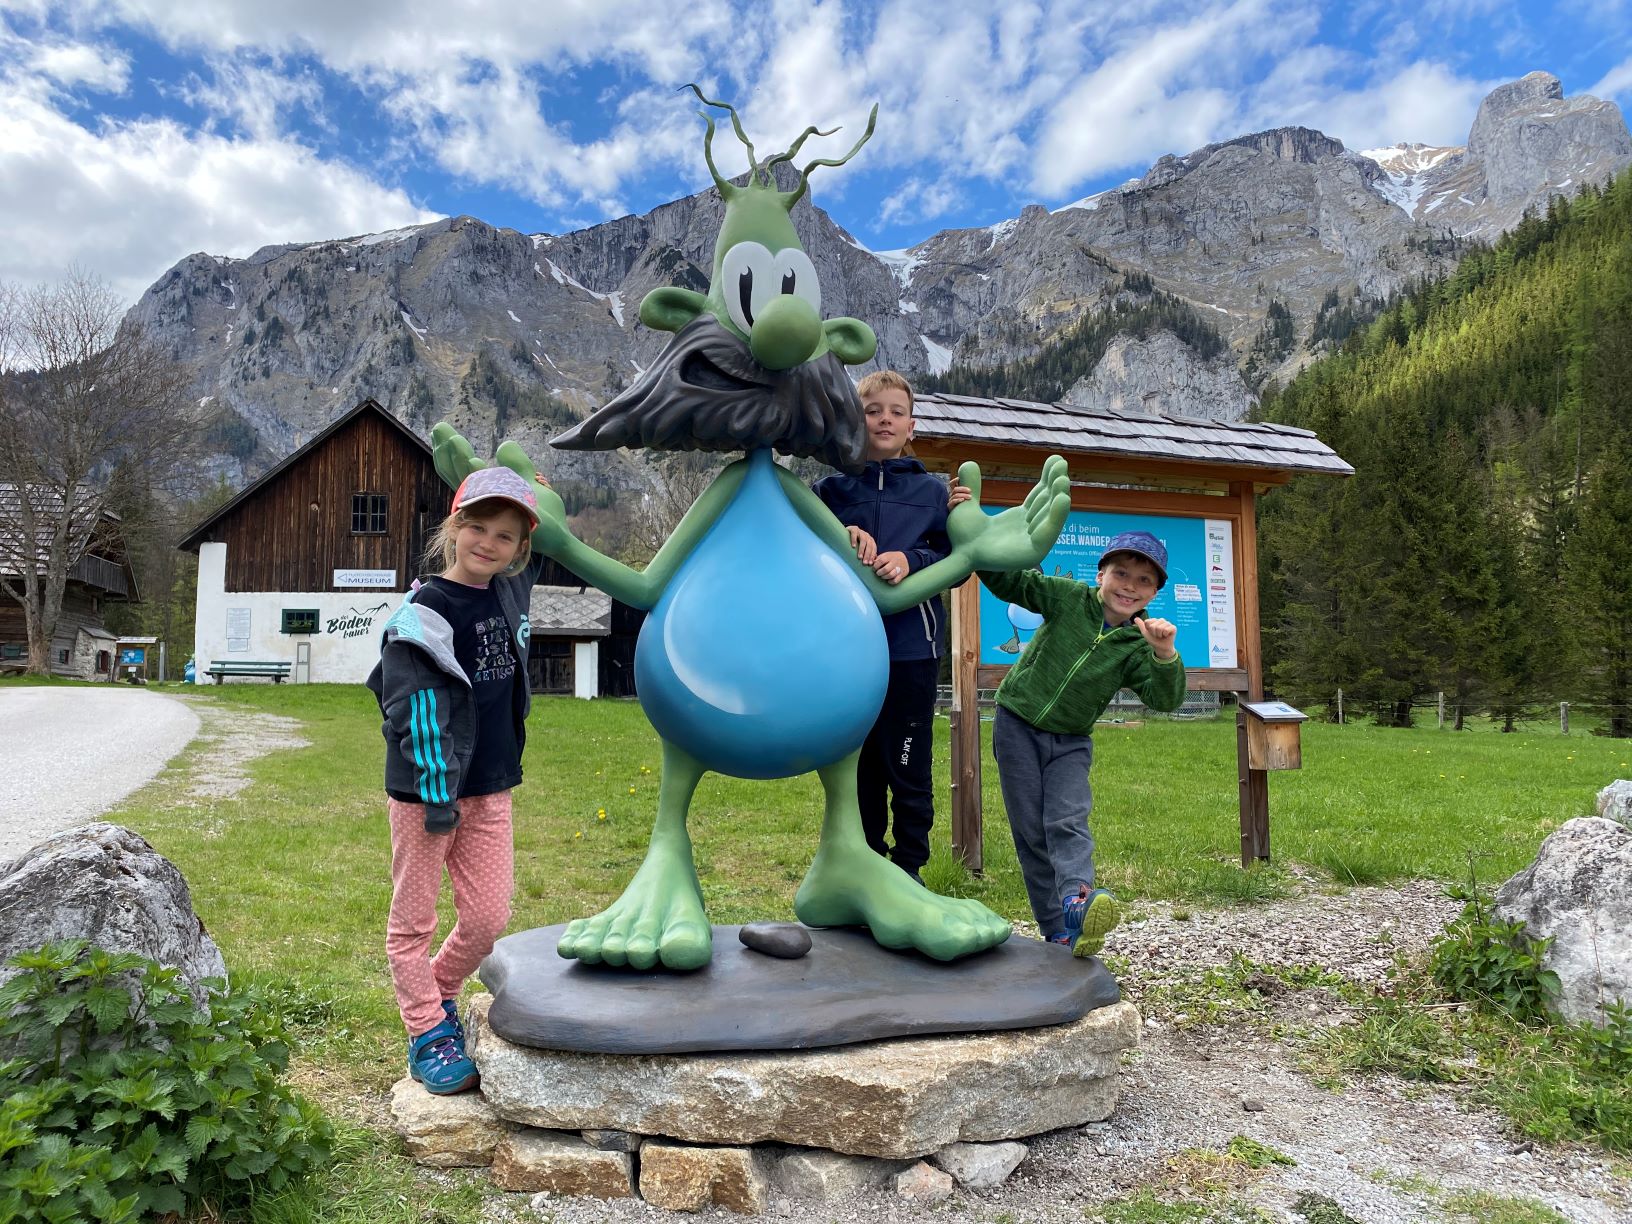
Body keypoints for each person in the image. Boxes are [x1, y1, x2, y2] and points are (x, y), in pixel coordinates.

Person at [366, 465, 547, 1094]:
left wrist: (533, 489)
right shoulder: (422, 613)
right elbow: (405, 705)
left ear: (520, 551)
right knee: (413, 920)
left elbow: (548, 540)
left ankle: (438, 993)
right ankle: (426, 1032)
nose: (487, 543)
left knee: (488, 918)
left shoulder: (509, 594)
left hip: (491, 783)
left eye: (505, 535)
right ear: (453, 528)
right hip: (426, 790)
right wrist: (435, 786)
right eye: (477, 527)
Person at [977, 530, 1184, 956]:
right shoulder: (1068, 598)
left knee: (1068, 820)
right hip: (1017, 724)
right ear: (1101, 574)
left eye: (1144, 580)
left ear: (1155, 592)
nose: (1130, 586)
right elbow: (1012, 583)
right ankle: (1056, 929)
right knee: (1032, 833)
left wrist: (1164, 654)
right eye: (1121, 573)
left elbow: (1164, 698)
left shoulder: (1136, 641)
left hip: (1071, 742)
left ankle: (1076, 901)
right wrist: (975, 540)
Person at [812, 370, 956, 884]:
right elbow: (803, 544)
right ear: (857, 419)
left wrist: (910, 559)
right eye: (874, 411)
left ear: (911, 425)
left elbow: (948, 551)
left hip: (912, 650)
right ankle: (866, 865)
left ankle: (910, 869)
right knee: (860, 766)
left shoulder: (932, 493)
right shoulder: (828, 490)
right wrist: (841, 530)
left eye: (896, 411)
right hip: (846, 651)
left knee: (909, 764)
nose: (885, 419)